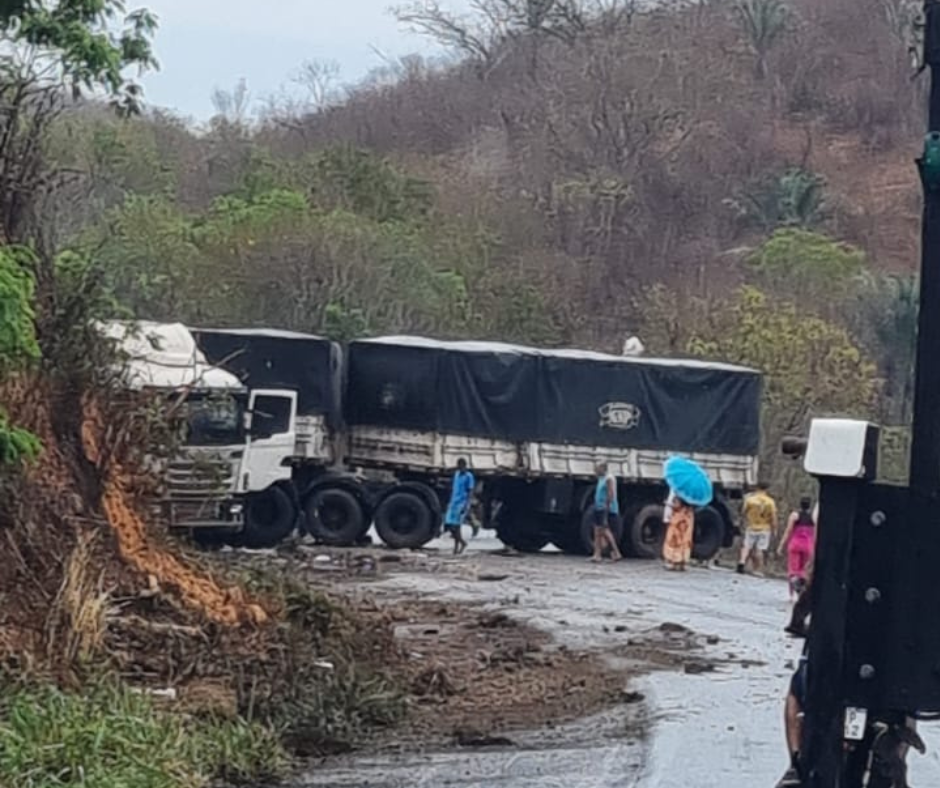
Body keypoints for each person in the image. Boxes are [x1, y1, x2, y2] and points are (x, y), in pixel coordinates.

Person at [778, 497, 817, 599]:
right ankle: (802, 592)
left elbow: (788, 531)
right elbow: (816, 533)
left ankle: (791, 594)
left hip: (795, 544)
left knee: (793, 569)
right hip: (808, 545)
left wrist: (781, 545)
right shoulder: (813, 517)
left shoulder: (795, 515)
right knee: (804, 570)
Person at [738, 481, 778, 575]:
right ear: (766, 489)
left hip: (751, 526)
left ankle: (742, 561)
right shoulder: (770, 502)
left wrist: (742, 522)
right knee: (760, 549)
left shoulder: (750, 500)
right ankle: (757, 569)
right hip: (764, 528)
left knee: (747, 546)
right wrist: (775, 529)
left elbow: (743, 512)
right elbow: (773, 517)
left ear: (757, 488)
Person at [592, 463, 623, 563]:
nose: (595, 470)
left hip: (605, 508)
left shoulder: (609, 478)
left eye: (597, 468)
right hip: (599, 507)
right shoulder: (601, 478)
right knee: (597, 531)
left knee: (605, 530)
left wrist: (606, 507)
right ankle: (597, 554)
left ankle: (616, 552)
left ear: (603, 468)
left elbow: (611, 494)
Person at [444, 458, 475, 555]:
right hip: (453, 502)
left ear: (465, 466)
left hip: (461, 503)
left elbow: (470, 491)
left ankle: (458, 546)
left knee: (456, 526)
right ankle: (461, 543)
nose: (460, 468)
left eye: (461, 466)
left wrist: (467, 505)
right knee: (449, 524)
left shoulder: (469, 476)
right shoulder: (456, 474)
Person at [662, 495, 694, 571]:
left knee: (674, 545)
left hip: (677, 531)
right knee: (683, 546)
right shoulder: (689, 510)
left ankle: (674, 563)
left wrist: (668, 505)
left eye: (676, 502)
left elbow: (677, 511)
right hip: (684, 532)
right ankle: (681, 563)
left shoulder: (682, 510)